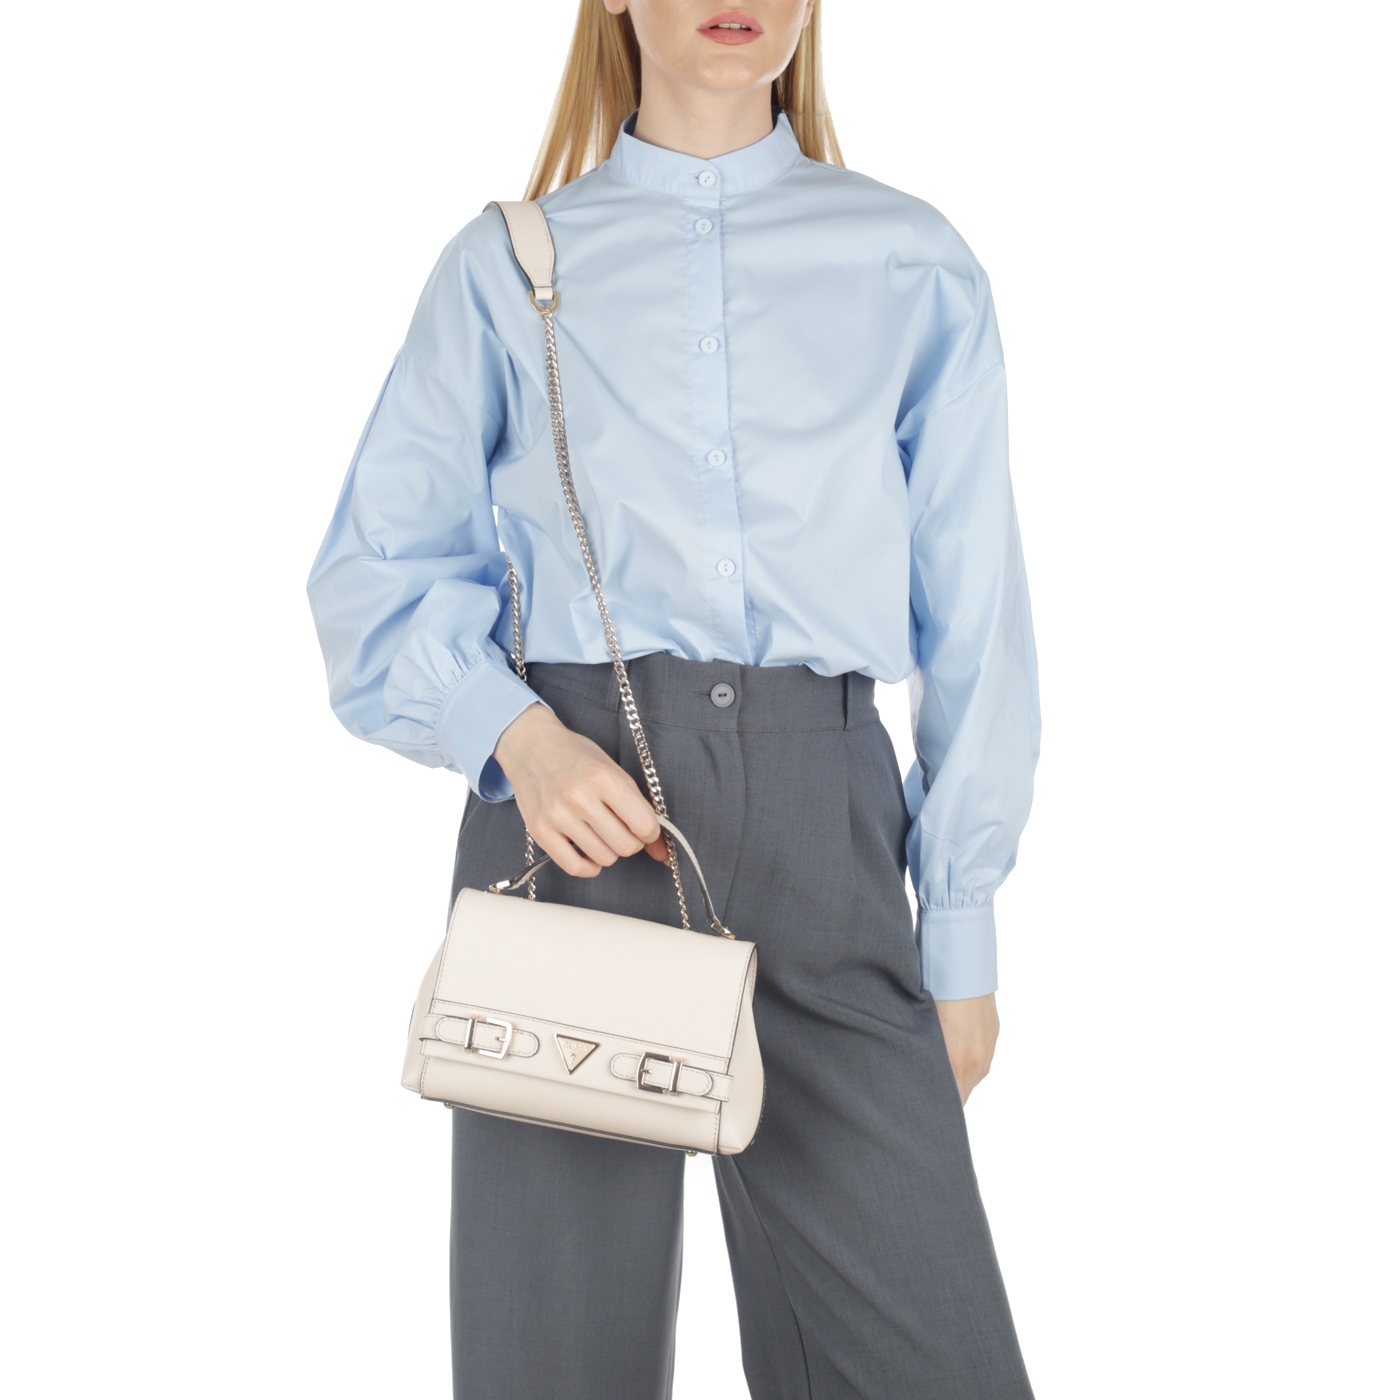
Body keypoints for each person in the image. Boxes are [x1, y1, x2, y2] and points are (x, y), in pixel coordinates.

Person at [308, 1, 1040, 1395]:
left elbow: (978, 614)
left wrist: (961, 926)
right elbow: (373, 568)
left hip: (830, 827)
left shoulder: (911, 262)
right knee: (556, 1362)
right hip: (574, 828)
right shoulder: (505, 266)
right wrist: (515, 737)